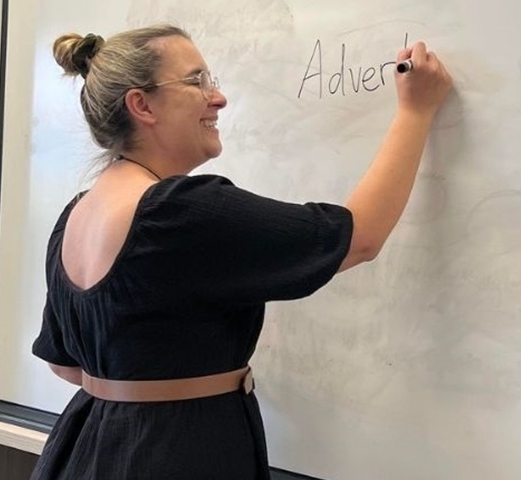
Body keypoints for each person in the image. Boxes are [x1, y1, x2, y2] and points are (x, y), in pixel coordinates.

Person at [30, 23, 452, 480]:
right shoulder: (178, 214)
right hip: (175, 456)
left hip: (84, 448)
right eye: (197, 81)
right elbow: (360, 236)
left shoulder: (76, 215)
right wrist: (415, 111)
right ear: (141, 104)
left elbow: (63, 363)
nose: (218, 98)